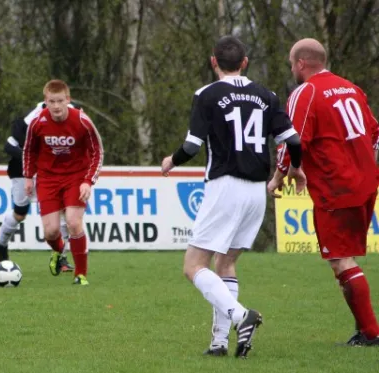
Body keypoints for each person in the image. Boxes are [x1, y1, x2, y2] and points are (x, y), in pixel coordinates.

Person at [161, 36, 305, 358]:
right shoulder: (267, 95)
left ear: (214, 62)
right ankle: (218, 344)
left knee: (193, 266)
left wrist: (171, 161)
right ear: (245, 62)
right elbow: (294, 141)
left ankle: (241, 316)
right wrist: (295, 168)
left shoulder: (207, 95)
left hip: (225, 186)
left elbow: (192, 147)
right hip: (257, 191)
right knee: (225, 263)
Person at [268, 38, 379, 346]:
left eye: (292, 64)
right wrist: (363, 163)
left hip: (337, 186)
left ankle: (371, 334)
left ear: (301, 63)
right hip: (367, 181)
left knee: (341, 260)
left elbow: (293, 139)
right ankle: (364, 332)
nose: (292, 69)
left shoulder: (306, 92)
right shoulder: (351, 88)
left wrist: (279, 176)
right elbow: (375, 132)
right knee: (346, 258)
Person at [22, 79, 104, 285]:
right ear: (45, 101)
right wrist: (28, 177)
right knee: (50, 231)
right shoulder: (37, 122)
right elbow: (29, 150)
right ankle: (59, 251)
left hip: (75, 176)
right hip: (48, 178)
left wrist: (88, 181)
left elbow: (97, 152)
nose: (56, 106)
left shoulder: (82, 120)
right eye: (52, 101)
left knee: (74, 223)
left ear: (68, 100)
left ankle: (80, 274)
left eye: (60, 101)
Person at [0, 101, 80, 273]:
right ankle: (1, 242)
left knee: (64, 212)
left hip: (50, 173)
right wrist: (31, 160)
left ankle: (60, 257)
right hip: (22, 170)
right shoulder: (29, 123)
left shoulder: (73, 116)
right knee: (19, 214)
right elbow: (9, 146)